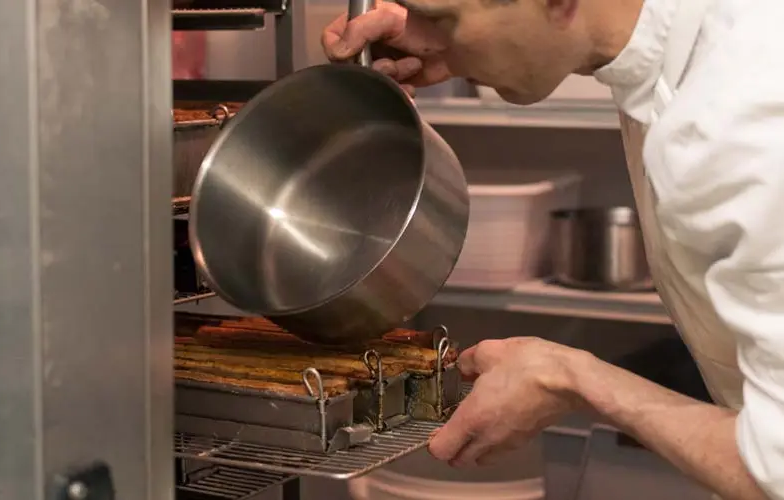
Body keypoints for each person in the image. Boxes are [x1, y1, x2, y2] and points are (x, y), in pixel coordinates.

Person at [322, 0, 784, 498]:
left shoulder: (743, 116)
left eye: (444, 20)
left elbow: (774, 468)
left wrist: (570, 379)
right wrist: (455, 47)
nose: (428, 40)